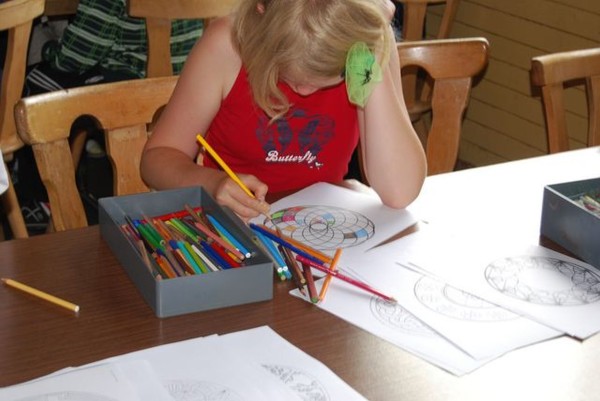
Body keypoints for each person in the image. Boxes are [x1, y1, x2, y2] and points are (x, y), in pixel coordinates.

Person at [140, 0, 427, 221]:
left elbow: (399, 192)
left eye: (330, 74)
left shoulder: (364, 54)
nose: (304, 91)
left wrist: (372, 51)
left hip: (322, 225)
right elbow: (156, 159)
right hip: (234, 227)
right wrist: (213, 184)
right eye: (289, 73)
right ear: (261, 11)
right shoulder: (226, 46)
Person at [24, 0, 203, 94]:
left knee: (33, 81)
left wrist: (45, 49)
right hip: (190, 88)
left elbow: (74, 59)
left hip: (132, 93)